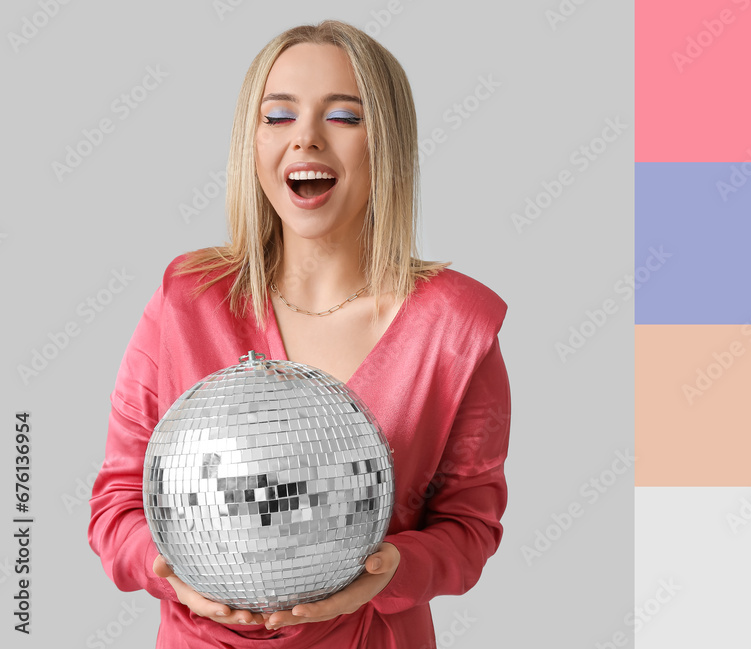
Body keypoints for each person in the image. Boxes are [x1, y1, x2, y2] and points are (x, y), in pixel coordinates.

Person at [88, 20, 511, 648]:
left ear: (387, 143)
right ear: (251, 143)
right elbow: (118, 503)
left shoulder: (454, 328)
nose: (305, 138)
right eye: (278, 116)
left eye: (343, 116)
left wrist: (395, 568)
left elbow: (468, 530)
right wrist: (170, 573)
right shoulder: (187, 301)